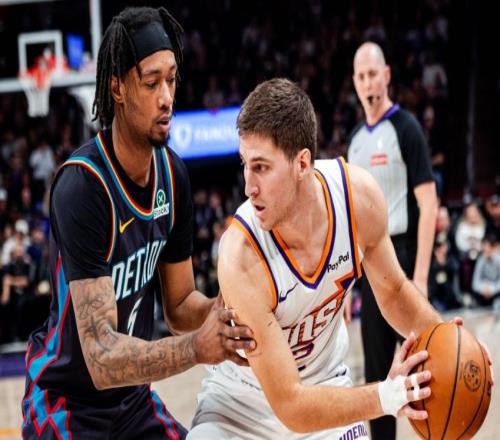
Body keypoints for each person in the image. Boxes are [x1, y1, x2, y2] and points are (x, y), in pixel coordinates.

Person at [22, 7, 254, 439]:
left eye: (172, 80)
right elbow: (101, 356)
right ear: (118, 88)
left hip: (131, 401)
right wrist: (196, 348)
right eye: (151, 83)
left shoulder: (173, 175)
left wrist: (231, 308)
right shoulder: (82, 186)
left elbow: (180, 306)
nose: (167, 97)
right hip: (67, 404)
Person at [188, 78, 443, 439]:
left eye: (261, 167)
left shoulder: (357, 198)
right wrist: (387, 395)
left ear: (302, 163)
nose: (248, 187)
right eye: (245, 164)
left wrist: (448, 340)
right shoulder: (239, 254)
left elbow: (395, 292)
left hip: (325, 385)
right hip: (239, 406)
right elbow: (290, 403)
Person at [347, 42, 438, 440]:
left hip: (403, 257)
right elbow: (350, 220)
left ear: (386, 76)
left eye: (374, 74)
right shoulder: (354, 141)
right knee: (379, 377)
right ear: (355, 82)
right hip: (369, 266)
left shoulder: (407, 128)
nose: (368, 83)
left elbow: (429, 204)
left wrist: (420, 277)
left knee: (431, 369)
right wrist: (346, 287)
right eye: (361, 76)